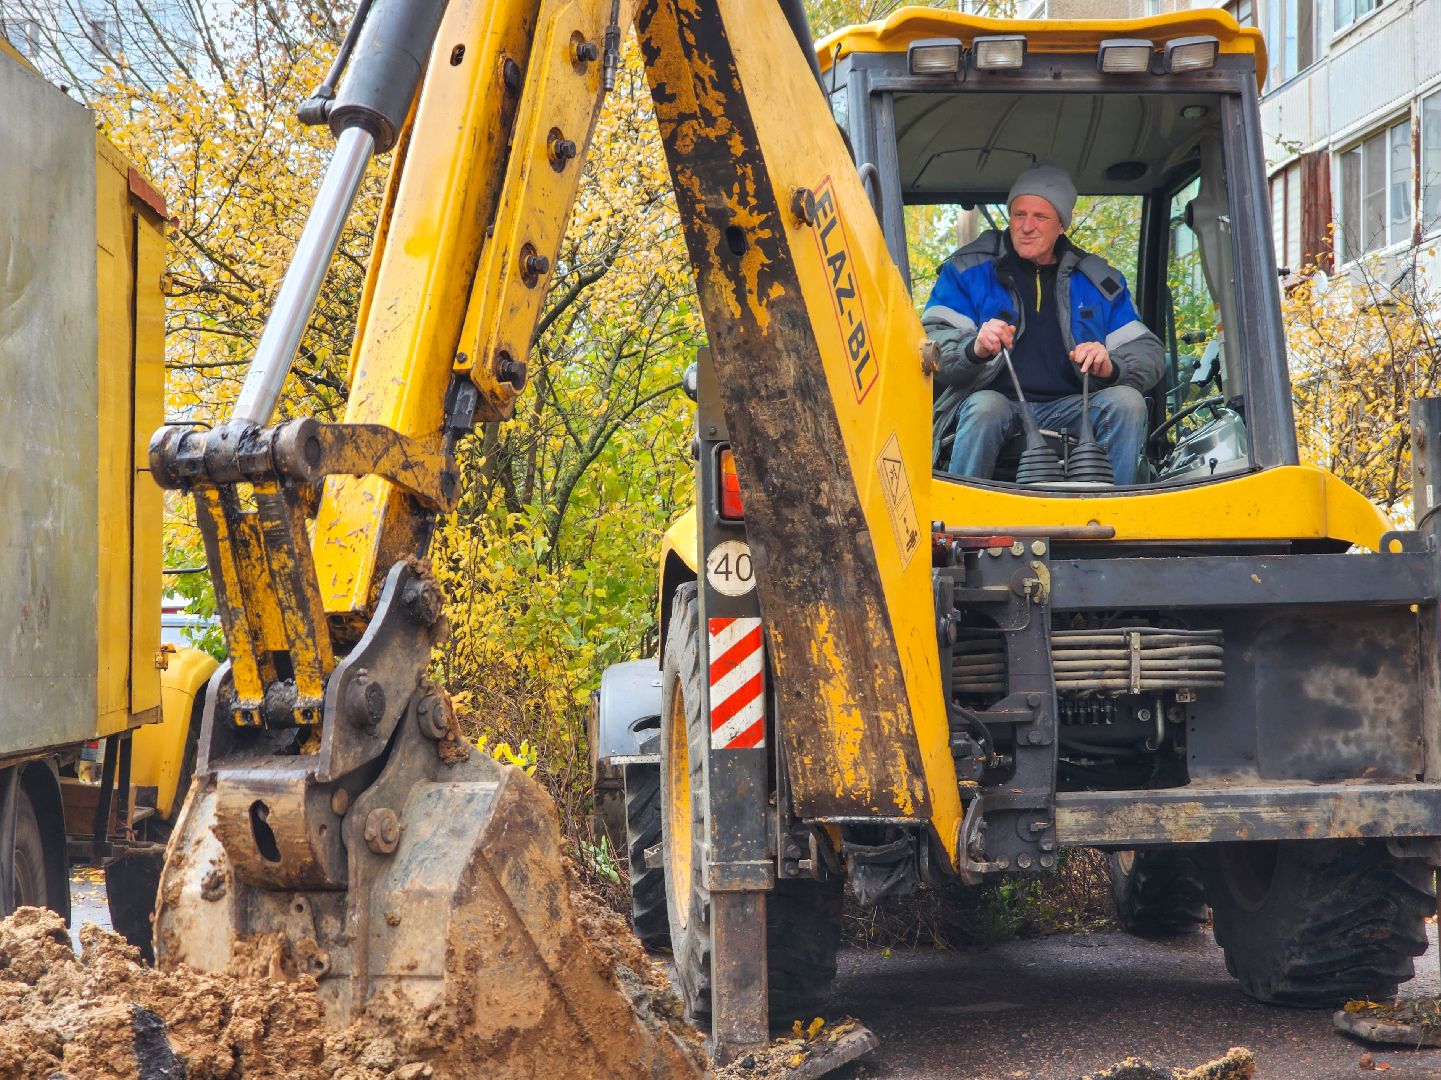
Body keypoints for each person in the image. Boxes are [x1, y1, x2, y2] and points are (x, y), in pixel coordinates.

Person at [922, 163, 1164, 485]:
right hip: (994, 401)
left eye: (1040, 217)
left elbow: (1149, 353)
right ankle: (961, 526)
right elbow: (930, 342)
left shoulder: (1098, 281)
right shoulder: (966, 271)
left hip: (1072, 406)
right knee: (986, 408)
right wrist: (973, 349)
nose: (1026, 226)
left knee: (1127, 404)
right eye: (1019, 214)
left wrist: (1111, 365)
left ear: (1062, 225)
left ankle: (1111, 520)